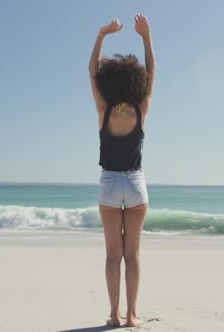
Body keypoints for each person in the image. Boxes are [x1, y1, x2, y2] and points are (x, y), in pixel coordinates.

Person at [88, 13, 156, 328]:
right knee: (134, 255)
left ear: (109, 81)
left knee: (113, 255)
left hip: (109, 183)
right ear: (136, 82)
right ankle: (131, 317)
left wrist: (102, 34)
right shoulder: (140, 110)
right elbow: (153, 71)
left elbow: (91, 72)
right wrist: (145, 36)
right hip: (136, 182)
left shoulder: (103, 110)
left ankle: (114, 315)